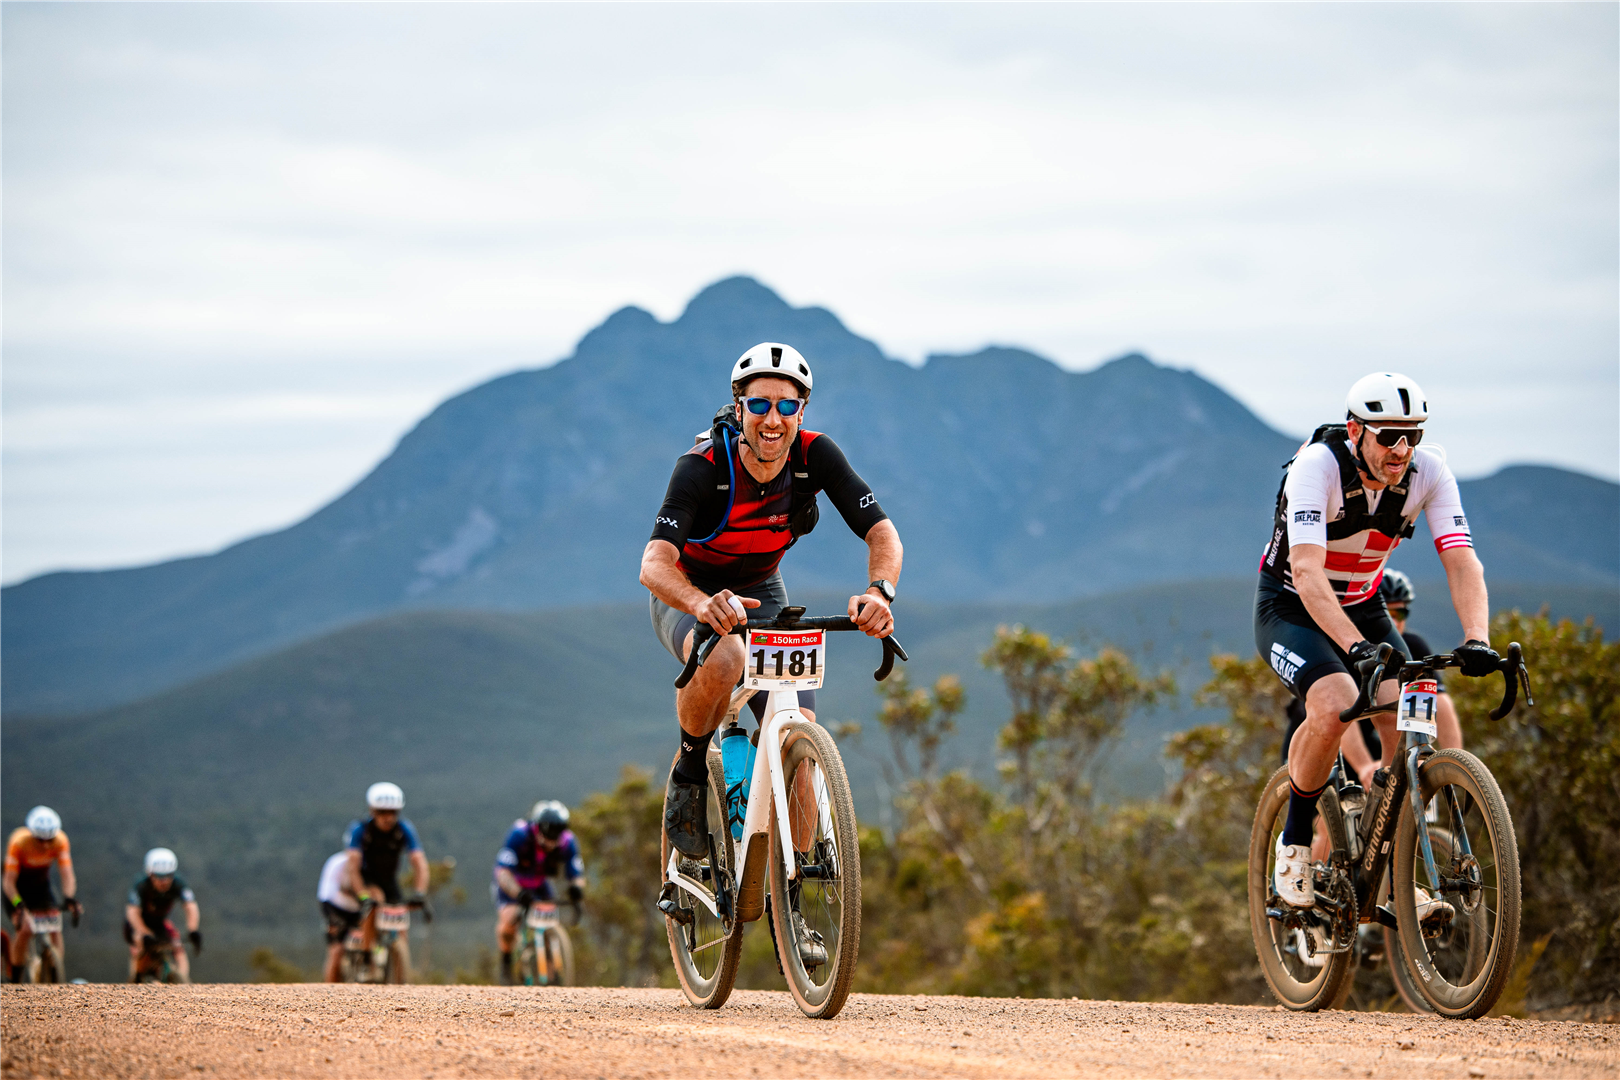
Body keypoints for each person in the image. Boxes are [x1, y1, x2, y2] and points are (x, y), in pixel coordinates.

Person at [640, 341, 901, 967]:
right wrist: (701, 603)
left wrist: (879, 592)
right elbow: (654, 564)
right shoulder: (703, 466)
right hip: (690, 590)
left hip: (761, 588)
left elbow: (882, 533)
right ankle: (689, 771)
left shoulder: (816, 455)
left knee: (797, 728)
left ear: (802, 411)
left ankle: (796, 898)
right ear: (739, 407)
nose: (773, 419)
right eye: (759, 404)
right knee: (726, 657)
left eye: (786, 406)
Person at [1255, 372, 1498, 911]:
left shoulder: (1429, 472)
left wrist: (1477, 638)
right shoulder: (1318, 467)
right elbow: (1307, 572)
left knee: (1410, 712)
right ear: (1355, 431)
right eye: (1389, 436)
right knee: (1336, 703)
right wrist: (1353, 647)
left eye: (1413, 435)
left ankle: (1391, 873)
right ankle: (1294, 844)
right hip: (1292, 604)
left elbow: (1462, 561)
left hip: (1364, 605)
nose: (1402, 449)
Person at [491, 800, 585, 984]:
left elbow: (576, 873)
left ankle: (552, 976)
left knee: (548, 922)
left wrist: (577, 889)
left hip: (539, 884)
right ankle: (506, 963)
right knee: (509, 922)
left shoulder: (567, 842)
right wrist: (518, 894)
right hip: (513, 884)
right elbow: (502, 872)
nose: (552, 838)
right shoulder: (519, 834)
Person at [344, 782, 429, 949]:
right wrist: (363, 896)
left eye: (392, 812)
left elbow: (419, 863)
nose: (387, 817)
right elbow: (352, 868)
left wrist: (420, 893)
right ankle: (367, 953)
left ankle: (399, 959)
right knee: (376, 901)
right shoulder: (360, 830)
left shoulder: (404, 829)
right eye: (381, 812)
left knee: (401, 924)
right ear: (372, 811)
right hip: (366, 879)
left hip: (389, 881)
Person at [4, 806, 80, 981]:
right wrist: (17, 904)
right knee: (25, 929)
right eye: (40, 840)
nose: (45, 844)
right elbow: (8, 882)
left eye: (49, 839)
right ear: (31, 834)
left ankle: (56, 972)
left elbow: (67, 874)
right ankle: (15, 978)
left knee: (55, 926)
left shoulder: (60, 841)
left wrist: (69, 897)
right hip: (17, 888)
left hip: (41, 886)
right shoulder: (19, 842)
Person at [124, 848, 201, 981]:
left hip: (159, 923)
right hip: (137, 924)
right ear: (150, 874)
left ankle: (184, 983)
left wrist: (193, 930)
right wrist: (144, 932)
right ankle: (135, 979)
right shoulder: (141, 885)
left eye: (168, 875)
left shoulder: (178, 883)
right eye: (158, 876)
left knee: (177, 946)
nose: (164, 881)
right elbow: (132, 912)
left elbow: (190, 906)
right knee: (139, 943)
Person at [317, 845, 363, 982]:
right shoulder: (337, 863)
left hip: (358, 908)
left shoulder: (369, 864)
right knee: (336, 950)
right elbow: (327, 894)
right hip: (335, 908)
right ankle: (330, 987)